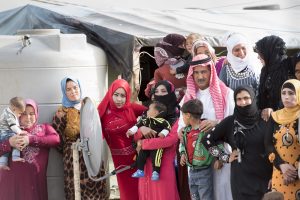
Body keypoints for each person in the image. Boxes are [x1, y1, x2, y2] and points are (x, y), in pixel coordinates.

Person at [179, 54, 235, 200]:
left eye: (203, 72)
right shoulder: (189, 96)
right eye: (196, 72)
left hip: (218, 153)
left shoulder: (226, 94)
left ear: (211, 72)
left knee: (221, 190)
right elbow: (181, 124)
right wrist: (181, 131)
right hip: (197, 159)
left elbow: (234, 120)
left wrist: (216, 123)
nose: (200, 76)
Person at [202, 86, 272, 200]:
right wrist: (224, 157)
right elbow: (206, 140)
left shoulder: (265, 118)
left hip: (266, 179)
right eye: (238, 99)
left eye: (246, 98)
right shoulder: (230, 122)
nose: (243, 102)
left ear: (253, 98)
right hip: (241, 181)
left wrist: (276, 174)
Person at [52, 77, 108, 200]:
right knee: (77, 190)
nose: (73, 91)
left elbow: (97, 130)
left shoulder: (89, 107)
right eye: (68, 89)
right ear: (64, 92)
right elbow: (57, 140)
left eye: (75, 87)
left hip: (93, 154)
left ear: (80, 88)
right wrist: (72, 149)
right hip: (74, 158)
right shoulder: (61, 113)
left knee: (96, 185)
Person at [0, 98, 60, 200]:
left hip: (33, 184)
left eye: (32, 113)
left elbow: (55, 139)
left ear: (36, 114)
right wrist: (9, 143)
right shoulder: (6, 130)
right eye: (24, 113)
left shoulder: (44, 128)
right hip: (9, 183)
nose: (28, 117)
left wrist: (30, 139)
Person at [98, 78, 147, 200]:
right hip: (119, 161)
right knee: (126, 191)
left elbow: (152, 113)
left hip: (137, 157)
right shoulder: (103, 111)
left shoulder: (131, 108)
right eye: (116, 95)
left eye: (123, 95)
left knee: (141, 189)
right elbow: (91, 129)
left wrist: (142, 129)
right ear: (111, 93)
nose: (119, 99)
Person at [133, 80, 180, 200]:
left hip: (163, 167)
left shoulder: (175, 116)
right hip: (144, 166)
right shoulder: (147, 113)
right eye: (156, 91)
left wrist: (143, 143)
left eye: (163, 91)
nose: (159, 94)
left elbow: (169, 140)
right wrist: (142, 129)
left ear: (170, 93)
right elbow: (135, 135)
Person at [264, 79, 300, 200]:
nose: (286, 97)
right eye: (283, 93)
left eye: (291, 93)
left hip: (298, 173)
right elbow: (267, 143)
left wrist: (294, 170)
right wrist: (281, 165)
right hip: (280, 173)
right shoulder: (275, 116)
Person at [179, 99, 214, 200]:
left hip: (204, 172)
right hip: (192, 172)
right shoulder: (186, 131)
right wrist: (182, 154)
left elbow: (214, 144)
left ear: (188, 115)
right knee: (194, 197)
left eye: (183, 116)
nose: (183, 119)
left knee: (205, 197)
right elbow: (183, 144)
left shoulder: (205, 130)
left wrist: (220, 159)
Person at [127, 101, 171, 181]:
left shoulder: (162, 121)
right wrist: (131, 131)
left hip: (157, 144)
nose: (146, 111)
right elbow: (137, 126)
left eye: (149, 109)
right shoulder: (145, 120)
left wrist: (163, 133)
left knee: (157, 156)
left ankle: (156, 171)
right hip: (146, 143)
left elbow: (167, 127)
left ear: (155, 112)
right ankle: (140, 170)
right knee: (141, 155)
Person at [255, 35, 292, 121]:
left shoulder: (288, 69)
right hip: (267, 119)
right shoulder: (265, 70)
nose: (258, 56)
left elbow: (291, 97)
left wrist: (275, 112)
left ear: (269, 52)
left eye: (260, 53)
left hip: (285, 119)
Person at [0, 97, 27, 170]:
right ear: (14, 109)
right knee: (17, 139)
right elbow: (13, 126)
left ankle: (2, 163)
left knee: (6, 149)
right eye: (20, 113)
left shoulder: (7, 111)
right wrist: (20, 132)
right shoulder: (9, 115)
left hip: (3, 133)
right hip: (6, 132)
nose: (20, 115)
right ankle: (15, 156)